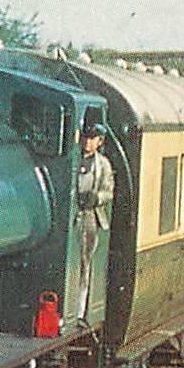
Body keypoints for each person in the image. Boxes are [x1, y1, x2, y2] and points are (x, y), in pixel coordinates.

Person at [75, 121, 115, 322]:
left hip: (89, 215)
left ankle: (80, 309)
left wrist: (95, 198)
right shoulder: (74, 159)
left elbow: (108, 192)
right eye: (86, 138)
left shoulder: (103, 165)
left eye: (92, 139)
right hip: (74, 214)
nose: (87, 142)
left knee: (85, 261)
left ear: (99, 142)